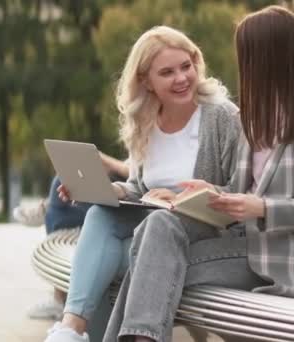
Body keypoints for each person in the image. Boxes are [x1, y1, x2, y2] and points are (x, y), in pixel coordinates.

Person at [102, 5, 294, 342]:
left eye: (249, 56)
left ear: (275, 57)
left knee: (150, 268)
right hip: (243, 246)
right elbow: (239, 189)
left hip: (287, 258)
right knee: (158, 225)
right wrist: (207, 193)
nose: (245, 66)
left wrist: (261, 208)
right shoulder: (259, 114)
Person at [43, 25, 241, 342]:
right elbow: (138, 187)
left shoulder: (222, 117)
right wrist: (104, 191)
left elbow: (239, 194)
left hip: (201, 238)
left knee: (106, 265)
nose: (181, 78)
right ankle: (70, 329)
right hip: (150, 230)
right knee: (99, 215)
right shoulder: (146, 121)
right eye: (167, 72)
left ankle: (71, 332)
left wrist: (180, 199)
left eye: (186, 66)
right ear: (146, 81)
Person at [21, 153, 129, 320]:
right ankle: (48, 208)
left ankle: (45, 209)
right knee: (64, 178)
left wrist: (102, 159)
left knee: (66, 204)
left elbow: (135, 171)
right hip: (125, 190)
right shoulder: (149, 133)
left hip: (135, 202)